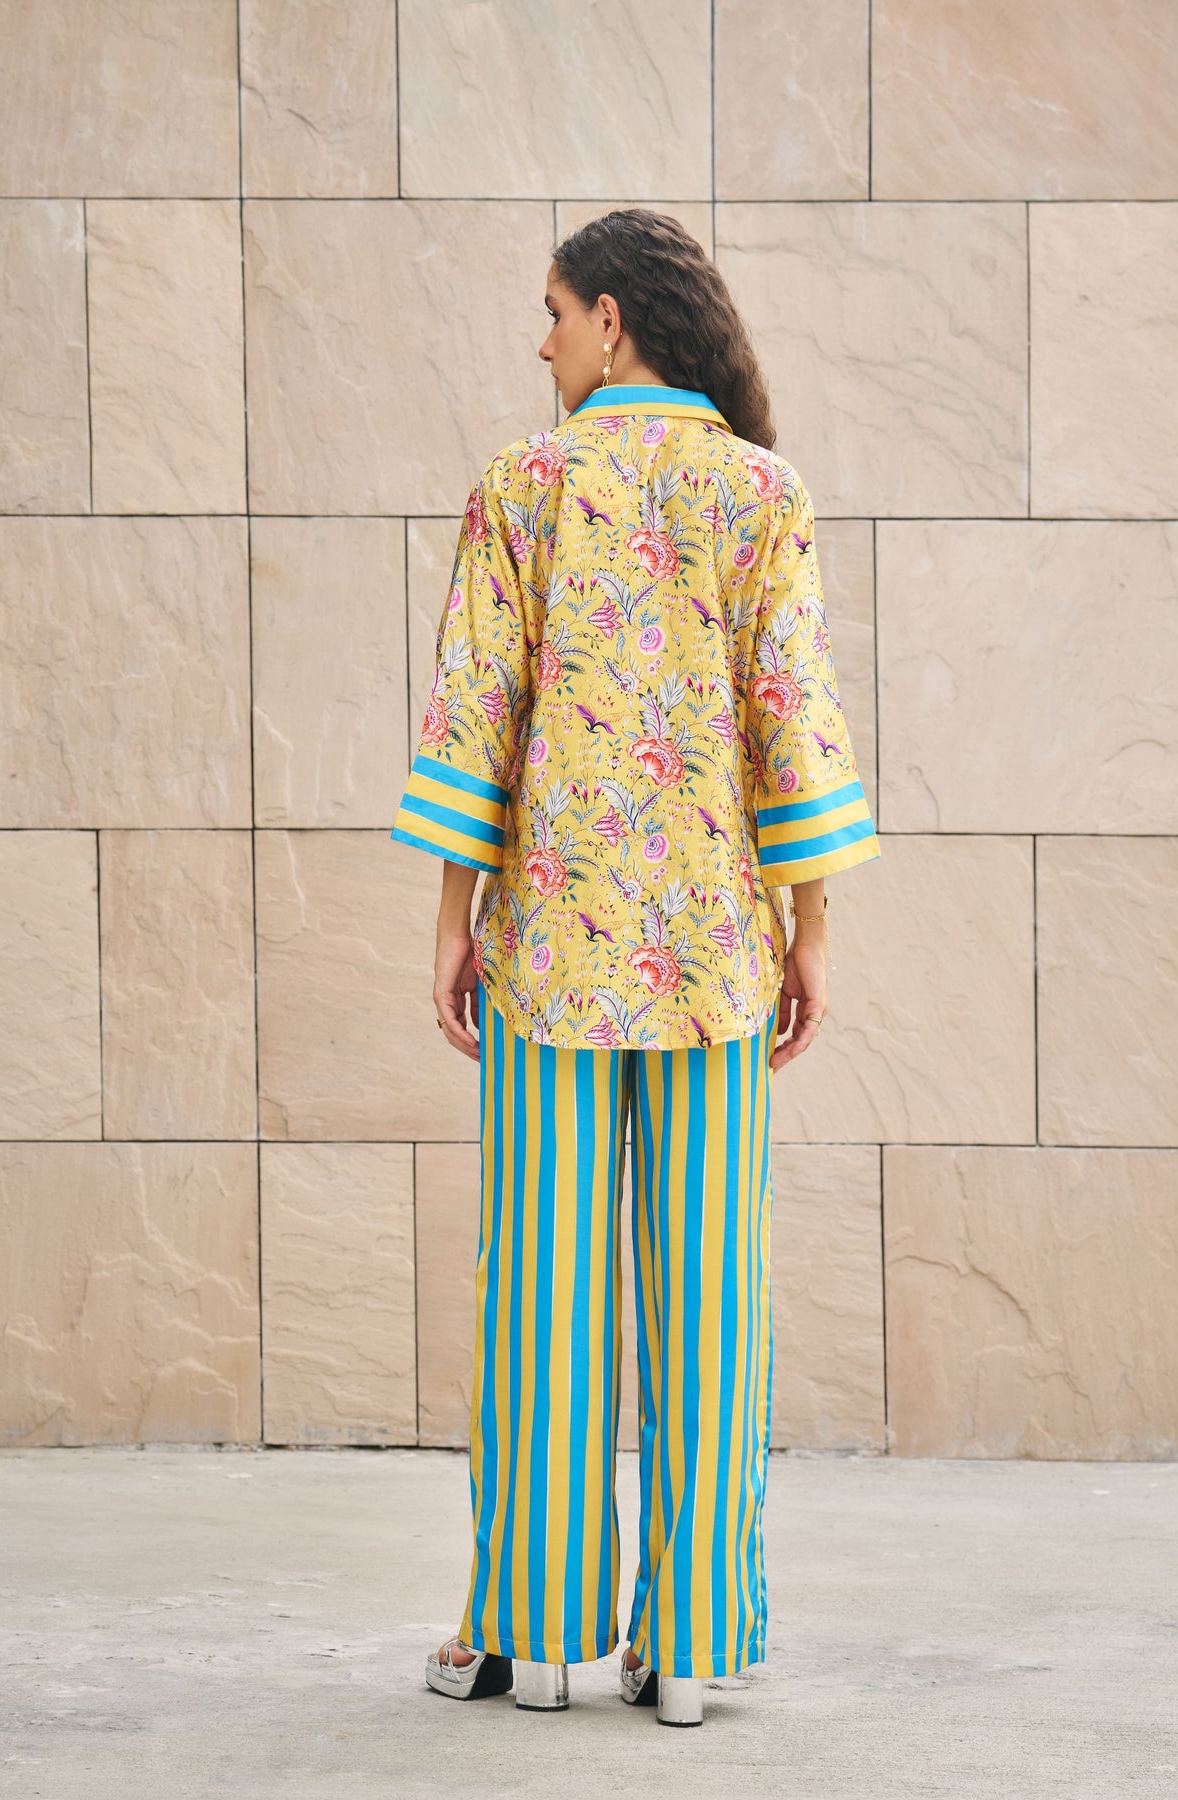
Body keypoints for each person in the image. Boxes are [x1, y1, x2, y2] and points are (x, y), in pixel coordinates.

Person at [392, 208, 881, 1726]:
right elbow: (787, 717)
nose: (538, 344)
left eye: (549, 312)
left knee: (539, 1293)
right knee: (711, 1299)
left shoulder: (523, 487)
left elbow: (479, 709)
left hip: (547, 951)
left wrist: (455, 918)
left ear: (611, 318)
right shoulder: (761, 491)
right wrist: (809, 934)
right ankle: (690, 1649)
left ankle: (531, 1638)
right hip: (717, 961)